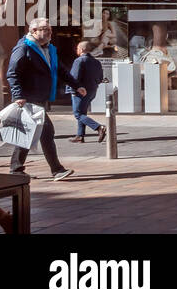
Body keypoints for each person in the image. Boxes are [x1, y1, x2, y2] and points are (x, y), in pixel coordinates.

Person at [6, 17, 85, 180]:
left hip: (40, 97)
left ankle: (16, 170)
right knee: (47, 131)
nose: (49, 32)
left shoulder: (49, 49)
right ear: (33, 31)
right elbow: (12, 73)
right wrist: (18, 95)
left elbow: (61, 70)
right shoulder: (23, 48)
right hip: (29, 98)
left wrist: (76, 85)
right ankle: (56, 170)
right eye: (44, 29)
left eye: (49, 29)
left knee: (29, 132)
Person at [68, 41, 106, 144]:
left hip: (80, 91)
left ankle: (99, 127)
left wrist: (73, 89)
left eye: (77, 48)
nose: (77, 50)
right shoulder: (96, 62)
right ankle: (80, 136)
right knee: (82, 112)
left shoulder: (79, 61)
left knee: (78, 114)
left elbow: (73, 78)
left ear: (81, 49)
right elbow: (100, 78)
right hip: (92, 91)